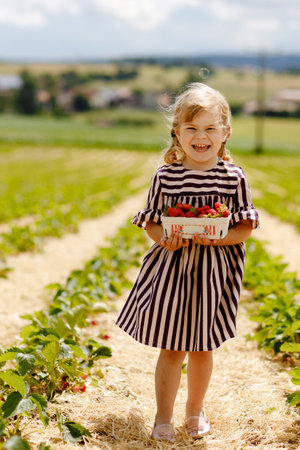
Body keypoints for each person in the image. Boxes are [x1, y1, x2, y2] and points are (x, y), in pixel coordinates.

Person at [116, 83, 259, 442]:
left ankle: (195, 412)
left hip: (214, 272)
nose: (201, 137)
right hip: (173, 268)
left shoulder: (233, 178)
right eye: (192, 128)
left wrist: (219, 237)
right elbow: (151, 221)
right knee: (171, 345)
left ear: (225, 132)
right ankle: (163, 416)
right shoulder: (166, 177)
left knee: (202, 346)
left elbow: (244, 226)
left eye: (210, 128)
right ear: (176, 132)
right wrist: (165, 237)